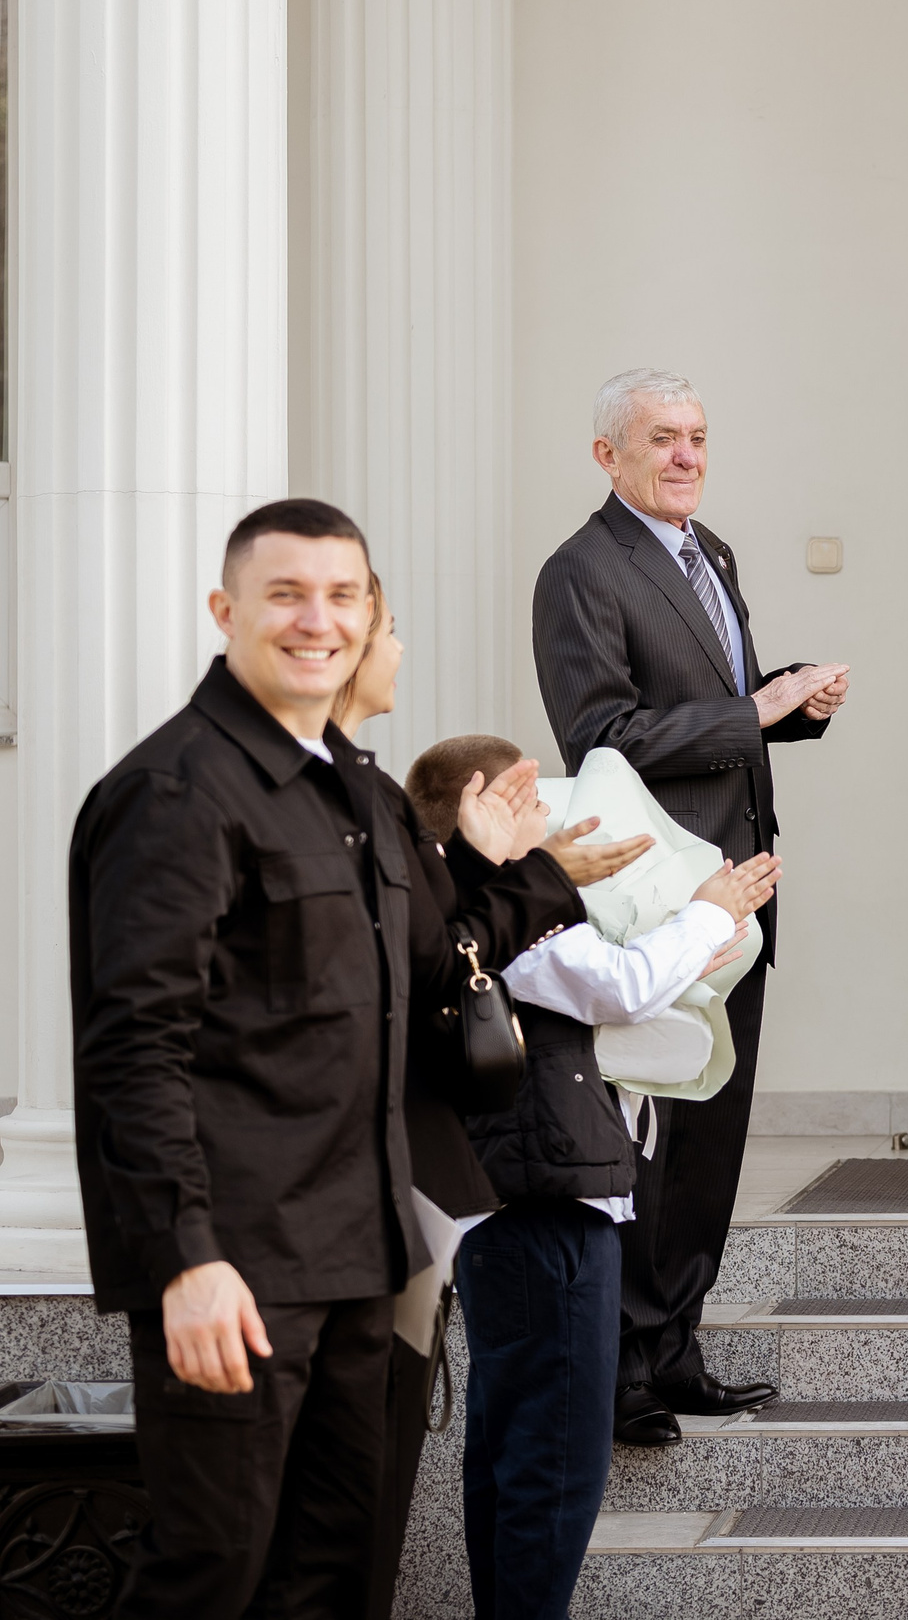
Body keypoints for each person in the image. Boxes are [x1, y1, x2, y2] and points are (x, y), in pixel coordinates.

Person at [67, 500, 550, 1618]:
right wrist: (185, 1259)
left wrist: (518, 874)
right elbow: (133, 1051)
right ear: (225, 609)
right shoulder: (176, 793)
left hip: (359, 1256)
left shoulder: (360, 796)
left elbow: (431, 982)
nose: (316, 620)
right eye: (285, 594)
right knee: (212, 1571)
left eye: (343, 596)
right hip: (235, 1267)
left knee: (331, 1573)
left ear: (369, 609)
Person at [532, 367, 847, 1446]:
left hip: (740, 887)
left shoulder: (710, 555)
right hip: (658, 896)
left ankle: (677, 1347)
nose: (685, 456)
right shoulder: (579, 571)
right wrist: (751, 707)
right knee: (653, 1139)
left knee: (713, 1132)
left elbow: (725, 714)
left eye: (698, 437)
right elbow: (601, 737)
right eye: (661, 437)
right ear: (605, 454)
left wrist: (789, 703)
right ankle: (621, 1372)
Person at [331, 579, 650, 1620]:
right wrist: (518, 868)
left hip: (482, 1188)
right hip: (518, 1192)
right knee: (546, 1458)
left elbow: (443, 948)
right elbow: (472, 966)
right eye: (388, 628)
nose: (400, 644)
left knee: (526, 1447)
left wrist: (509, 867)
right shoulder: (356, 808)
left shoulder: (370, 801)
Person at [407, 734, 769, 1620]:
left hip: (527, 1195)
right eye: (535, 795)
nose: (555, 811)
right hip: (543, 1207)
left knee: (514, 1446)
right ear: (491, 801)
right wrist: (711, 913)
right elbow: (619, 986)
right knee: (554, 1459)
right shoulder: (504, 906)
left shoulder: (481, 905)